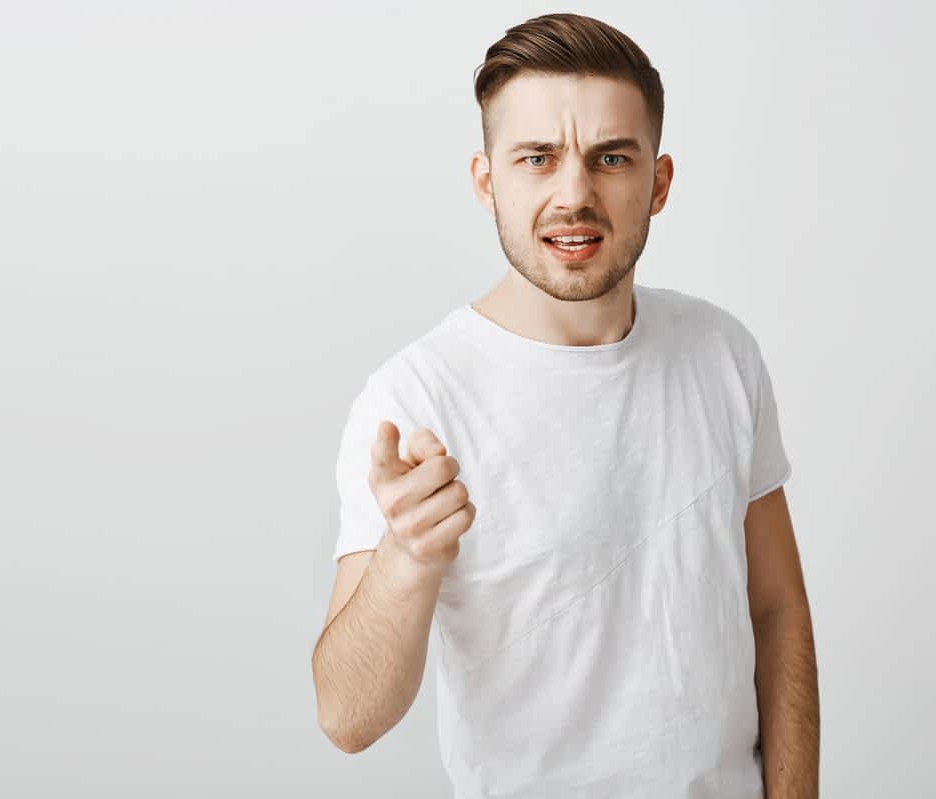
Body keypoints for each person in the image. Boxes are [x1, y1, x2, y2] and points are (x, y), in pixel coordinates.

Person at [310, 13, 819, 799]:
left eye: (609, 158)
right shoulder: (412, 399)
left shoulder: (722, 353)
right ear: (488, 182)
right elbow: (347, 718)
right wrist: (405, 558)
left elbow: (777, 610)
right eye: (536, 159)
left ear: (657, 181)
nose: (572, 194)